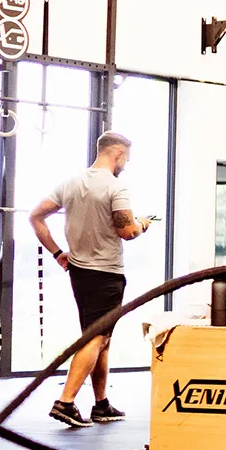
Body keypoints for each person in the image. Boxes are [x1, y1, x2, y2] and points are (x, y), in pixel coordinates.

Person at [31, 131, 152, 428]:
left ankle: (101, 404)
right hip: (106, 274)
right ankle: (66, 403)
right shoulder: (116, 187)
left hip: (79, 271)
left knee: (102, 338)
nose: (126, 164)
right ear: (118, 154)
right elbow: (127, 232)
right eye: (126, 158)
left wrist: (59, 253)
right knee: (96, 337)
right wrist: (142, 225)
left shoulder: (71, 183)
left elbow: (36, 216)